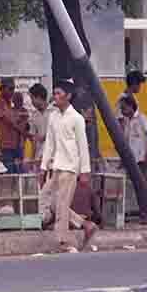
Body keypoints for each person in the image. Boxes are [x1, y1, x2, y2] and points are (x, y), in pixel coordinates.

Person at [39, 80, 97, 251]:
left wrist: (85, 172)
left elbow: (82, 146)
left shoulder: (77, 119)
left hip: (70, 168)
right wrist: (43, 167)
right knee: (47, 199)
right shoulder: (53, 116)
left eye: (58, 93)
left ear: (68, 96)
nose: (55, 97)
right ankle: (85, 225)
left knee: (62, 205)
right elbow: (49, 143)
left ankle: (64, 241)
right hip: (55, 166)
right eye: (54, 93)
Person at [120, 95, 147, 200]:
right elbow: (126, 142)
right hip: (132, 160)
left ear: (131, 106)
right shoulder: (126, 122)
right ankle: (141, 210)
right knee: (136, 187)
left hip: (142, 159)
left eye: (124, 108)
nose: (122, 111)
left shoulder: (142, 118)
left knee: (143, 187)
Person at [0, 77, 28, 173]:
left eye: (13, 89)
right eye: (10, 89)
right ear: (2, 89)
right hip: (7, 146)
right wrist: (25, 132)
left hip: (17, 145)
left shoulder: (9, 104)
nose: (12, 92)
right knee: (10, 176)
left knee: (20, 175)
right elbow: (11, 121)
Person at [29, 83, 53, 161]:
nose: (31, 102)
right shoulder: (34, 116)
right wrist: (32, 158)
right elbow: (34, 140)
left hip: (54, 156)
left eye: (32, 98)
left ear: (39, 97)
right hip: (39, 158)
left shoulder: (55, 112)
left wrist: (45, 136)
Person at [11, 92, 30, 169]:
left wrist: (16, 123)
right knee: (13, 164)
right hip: (12, 141)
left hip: (20, 141)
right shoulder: (10, 110)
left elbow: (23, 126)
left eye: (20, 100)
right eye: (16, 100)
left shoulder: (24, 111)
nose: (18, 102)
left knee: (19, 164)